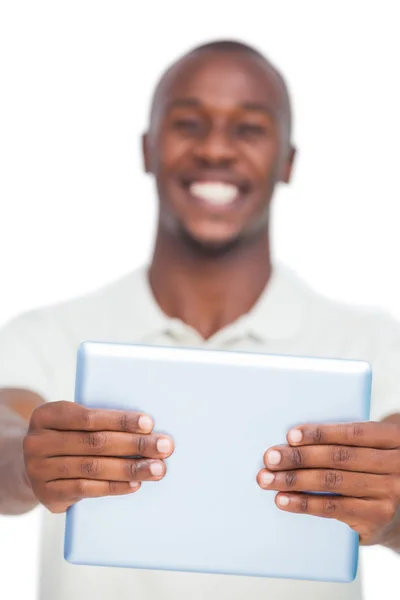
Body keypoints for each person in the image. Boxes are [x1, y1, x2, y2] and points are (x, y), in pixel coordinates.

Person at [0, 39, 399, 600]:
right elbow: (4, 429)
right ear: (148, 149)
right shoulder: (45, 334)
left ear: (287, 161)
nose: (216, 148)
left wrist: (394, 512)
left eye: (249, 128)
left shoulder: (371, 341)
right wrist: (25, 462)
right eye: (189, 124)